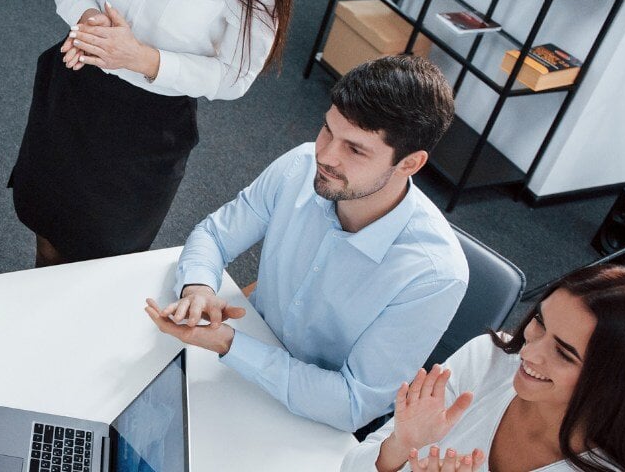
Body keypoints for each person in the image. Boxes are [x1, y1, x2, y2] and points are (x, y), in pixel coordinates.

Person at [143, 55, 468, 432]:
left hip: (311, 416)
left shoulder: (434, 275)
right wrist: (198, 286)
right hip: (241, 356)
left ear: (410, 164)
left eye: (355, 149)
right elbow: (214, 234)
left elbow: (352, 403)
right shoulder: (301, 165)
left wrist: (230, 345)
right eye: (327, 130)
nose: (325, 155)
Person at [10, 0, 299, 266]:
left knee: (100, 263)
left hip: (147, 130)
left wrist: (141, 58)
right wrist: (92, 24)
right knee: (46, 230)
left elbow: (235, 75)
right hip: (74, 87)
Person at [343, 264, 625, 472]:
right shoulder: (487, 359)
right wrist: (400, 446)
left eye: (564, 353)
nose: (530, 352)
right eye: (539, 321)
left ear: (613, 381)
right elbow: (351, 467)